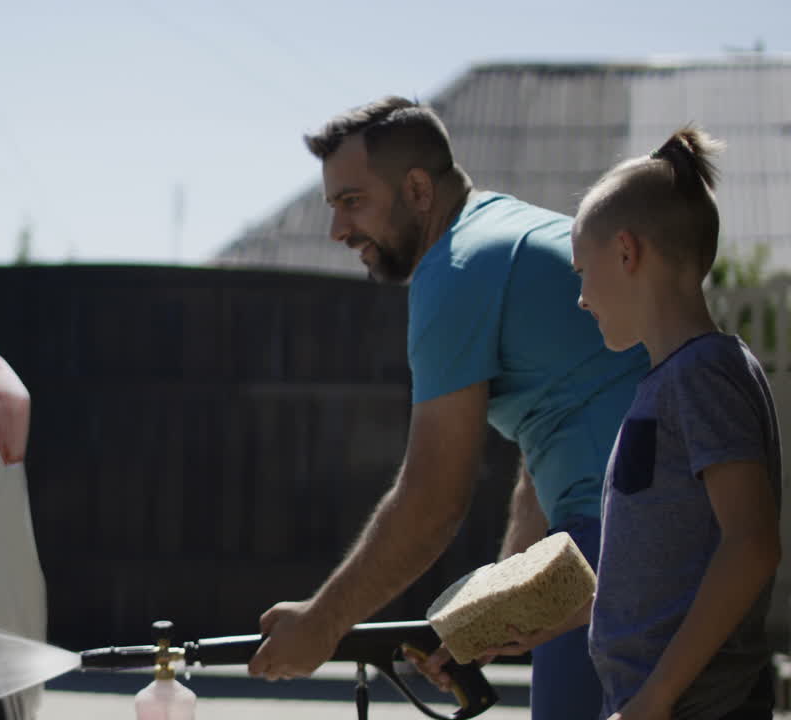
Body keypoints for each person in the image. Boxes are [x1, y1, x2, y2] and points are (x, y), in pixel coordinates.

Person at [245, 96, 649, 720]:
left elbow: (433, 501)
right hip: (651, 531)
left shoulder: (456, 269)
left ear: (417, 190)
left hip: (620, 540)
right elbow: (551, 444)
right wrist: (494, 602)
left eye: (352, 201)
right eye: (331, 206)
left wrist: (322, 624)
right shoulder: (505, 232)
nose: (336, 230)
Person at [492, 127, 782, 719]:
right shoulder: (669, 381)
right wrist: (561, 618)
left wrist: (656, 698)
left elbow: (752, 544)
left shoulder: (704, 374)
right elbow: (665, 572)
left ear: (626, 253)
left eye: (582, 272)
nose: (580, 298)